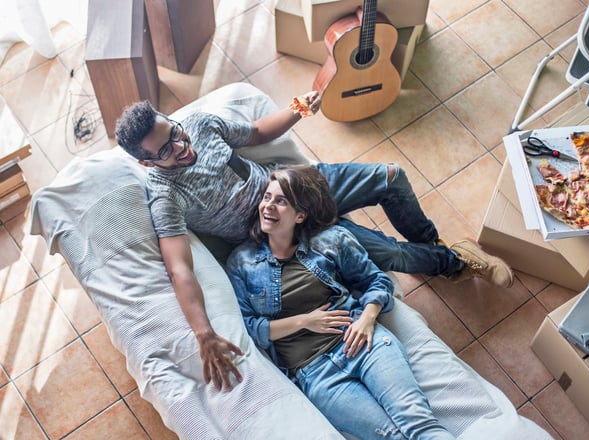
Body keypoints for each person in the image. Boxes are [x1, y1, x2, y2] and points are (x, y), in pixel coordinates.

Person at [114, 89, 513, 391]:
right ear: (147, 162)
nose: (183, 147)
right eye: (166, 150)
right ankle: (456, 263)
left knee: (391, 176)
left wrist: (298, 109)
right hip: (277, 231)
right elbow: (179, 267)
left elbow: (254, 132)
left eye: (176, 133)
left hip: (291, 184)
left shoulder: (199, 124)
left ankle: (436, 243)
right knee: (388, 255)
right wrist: (204, 333)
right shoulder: (165, 195)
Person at [226, 165, 455, 439]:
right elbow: (252, 328)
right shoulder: (242, 262)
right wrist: (305, 321)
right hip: (316, 374)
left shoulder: (331, 241)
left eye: (281, 201)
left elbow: (376, 281)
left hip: (362, 344)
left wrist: (367, 319)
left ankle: (455, 262)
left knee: (419, 425)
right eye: (267, 197)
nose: (268, 206)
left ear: (300, 215)